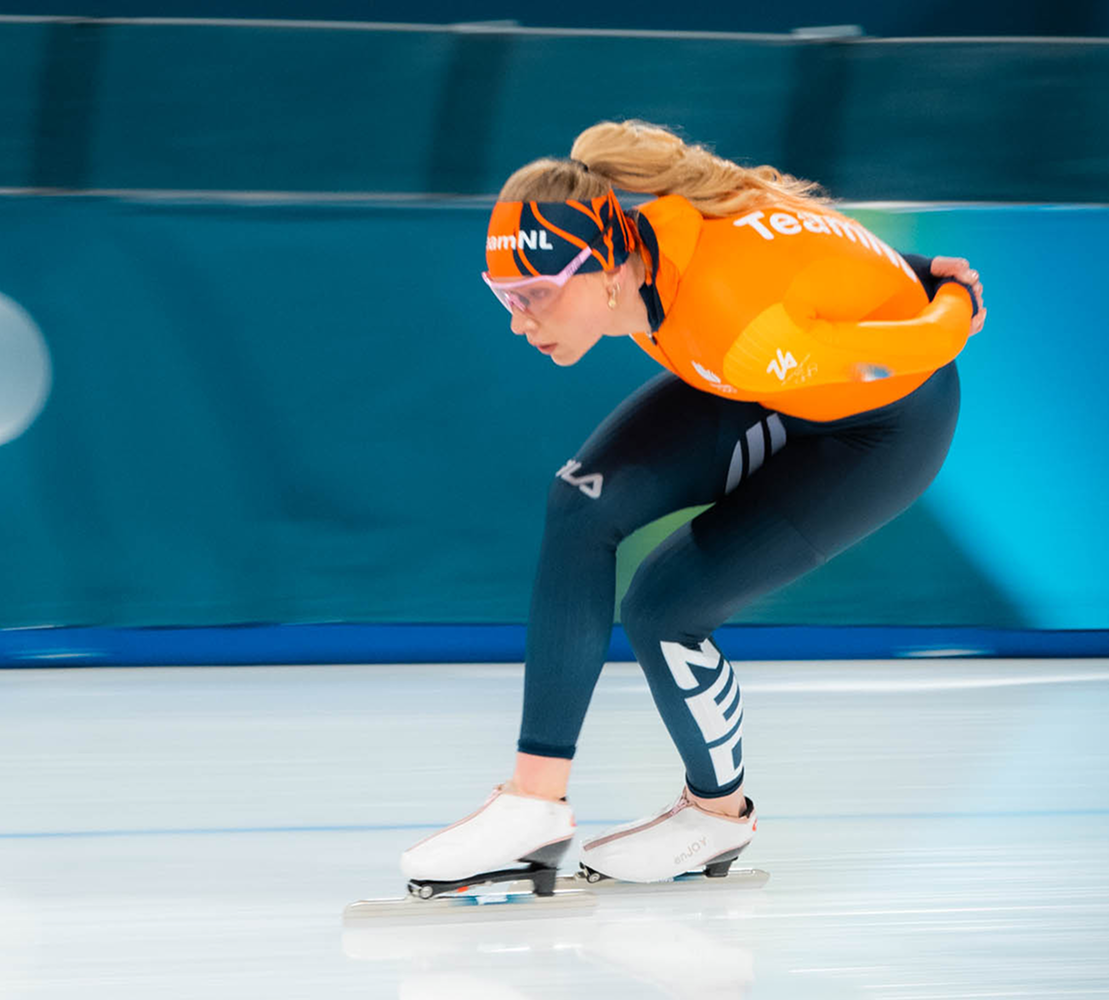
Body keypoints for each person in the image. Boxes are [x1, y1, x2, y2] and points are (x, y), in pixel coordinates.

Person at [400, 120, 986, 893]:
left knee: (663, 605)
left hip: (880, 429)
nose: (519, 319)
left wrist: (947, 296)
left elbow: (927, 342)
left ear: (606, 269)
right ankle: (534, 807)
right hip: (765, 377)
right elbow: (810, 253)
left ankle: (717, 816)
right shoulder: (651, 234)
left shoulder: (735, 320)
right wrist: (912, 264)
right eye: (504, 295)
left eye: (535, 294)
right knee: (580, 501)